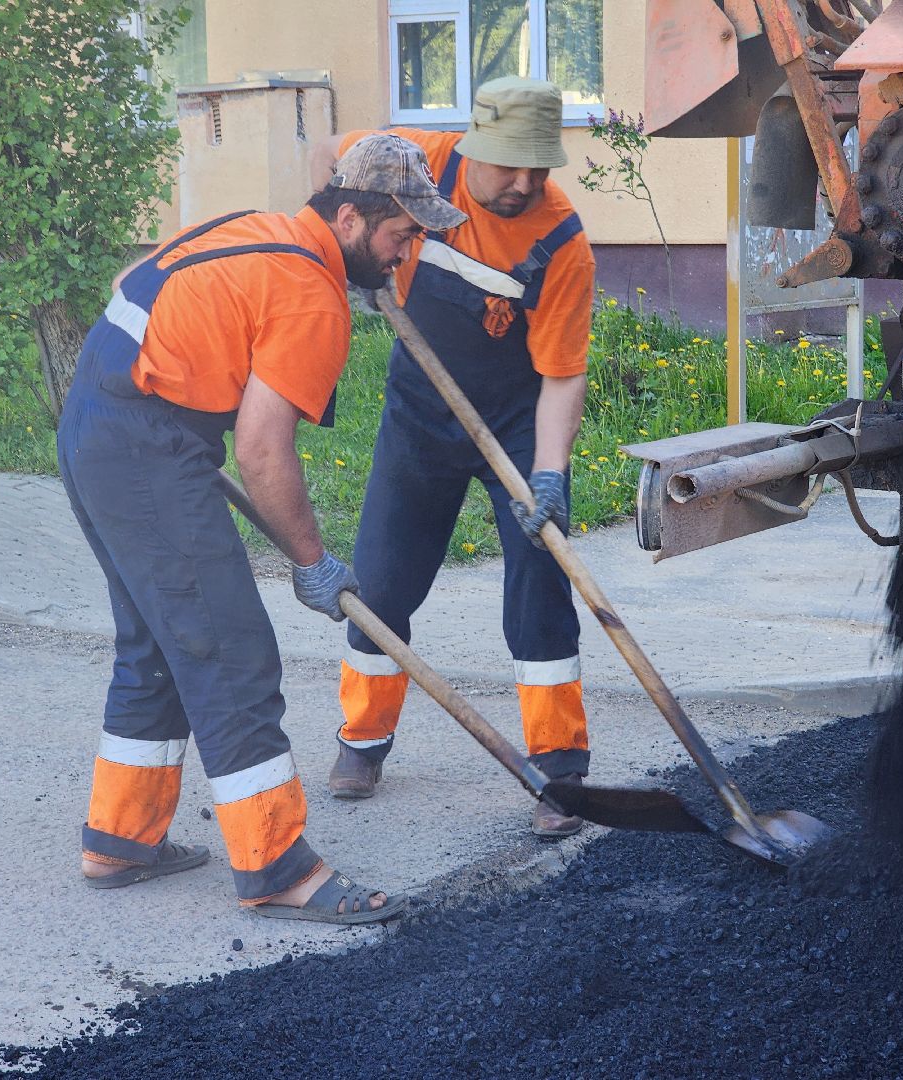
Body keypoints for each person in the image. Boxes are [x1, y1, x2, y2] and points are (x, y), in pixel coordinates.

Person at [57, 134, 466, 923]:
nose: (406, 255)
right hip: (144, 449)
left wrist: (178, 382)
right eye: (399, 236)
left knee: (160, 642)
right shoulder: (310, 289)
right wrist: (312, 563)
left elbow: (130, 284)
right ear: (350, 217)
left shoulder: (250, 227)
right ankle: (279, 866)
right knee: (232, 653)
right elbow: (262, 447)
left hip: (93, 424)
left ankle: (118, 840)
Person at [311, 78, 597, 837]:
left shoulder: (560, 238)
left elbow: (564, 374)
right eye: (510, 166)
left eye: (540, 167)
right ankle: (362, 742)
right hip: (418, 415)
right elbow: (324, 159)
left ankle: (559, 771)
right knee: (380, 583)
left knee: (541, 588)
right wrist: (354, 259)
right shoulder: (416, 166)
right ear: (473, 146)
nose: (526, 183)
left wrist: (549, 473)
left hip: (515, 421)